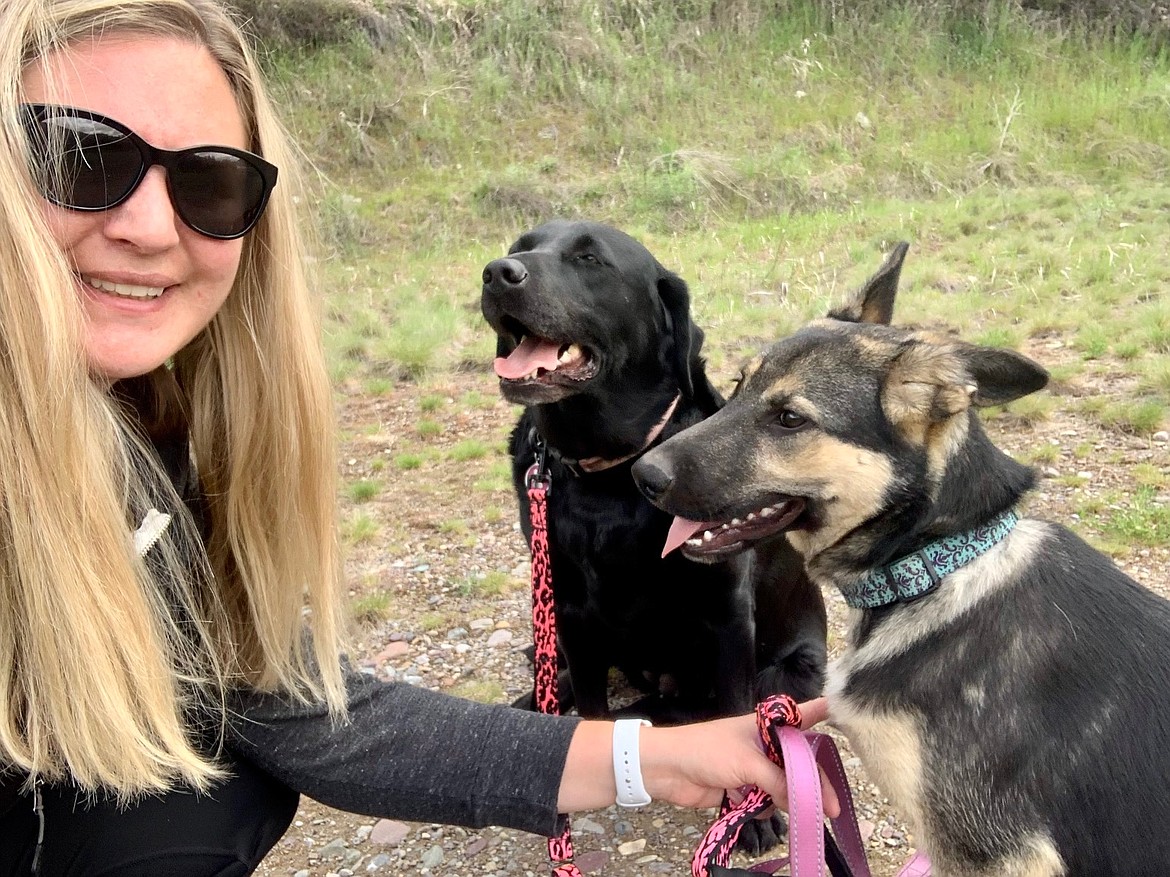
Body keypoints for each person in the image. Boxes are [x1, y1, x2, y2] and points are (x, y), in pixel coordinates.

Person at [0, 0, 834, 873]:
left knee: (214, 781)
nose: (147, 226)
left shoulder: (157, 438)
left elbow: (293, 707)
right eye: (80, 157)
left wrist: (654, 758)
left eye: (208, 183)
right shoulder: (540, 456)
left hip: (727, 669)